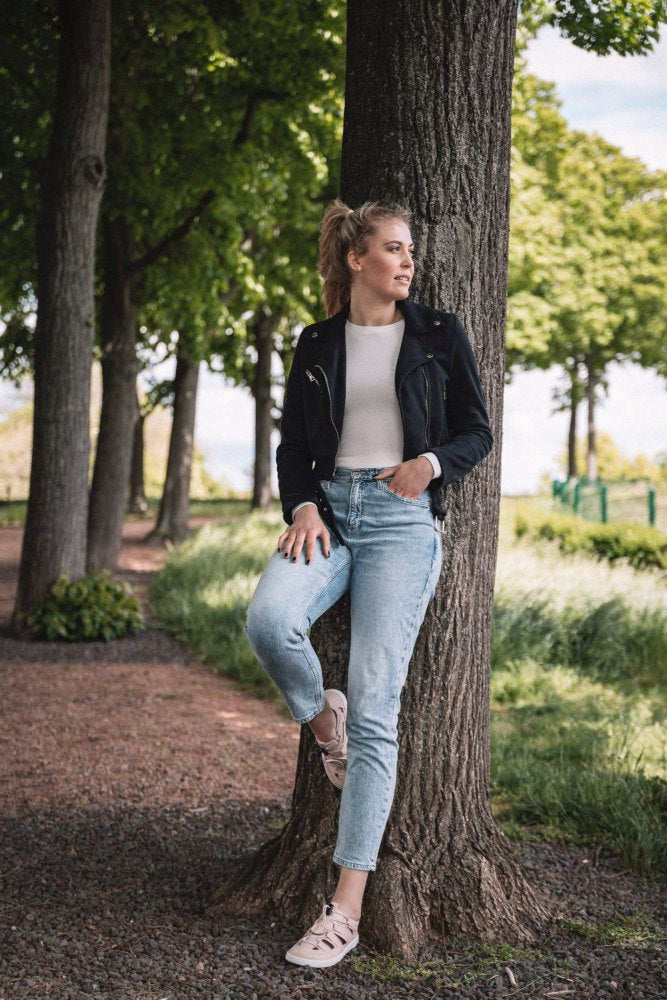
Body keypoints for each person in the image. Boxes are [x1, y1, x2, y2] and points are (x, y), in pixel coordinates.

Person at [244, 198, 493, 968]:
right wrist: (305, 504)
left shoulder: (438, 334)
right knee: (268, 621)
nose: (407, 261)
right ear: (357, 259)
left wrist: (431, 465)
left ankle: (343, 909)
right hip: (331, 512)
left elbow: (476, 430)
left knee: (377, 703)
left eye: (409, 250)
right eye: (392, 249)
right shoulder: (317, 341)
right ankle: (326, 726)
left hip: (398, 520)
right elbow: (291, 447)